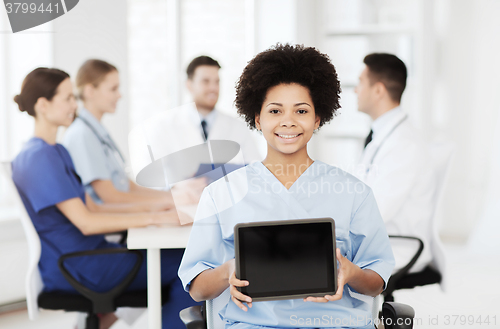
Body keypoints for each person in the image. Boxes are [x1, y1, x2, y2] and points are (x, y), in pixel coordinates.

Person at [178, 44, 395, 329]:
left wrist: (352, 273)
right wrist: (227, 271)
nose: (288, 122)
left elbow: (376, 283)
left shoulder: (354, 193)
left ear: (318, 118)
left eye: (301, 110)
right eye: (275, 110)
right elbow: (197, 288)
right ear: (257, 118)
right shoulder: (222, 193)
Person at [11, 68, 199, 329]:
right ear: (43, 105)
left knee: (182, 257)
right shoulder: (38, 157)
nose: (74, 105)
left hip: (90, 257)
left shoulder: (56, 151)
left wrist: (165, 213)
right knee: (190, 267)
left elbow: (93, 209)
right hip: (82, 266)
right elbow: (86, 222)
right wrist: (159, 216)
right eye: (67, 98)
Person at [63, 59, 204, 206]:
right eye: (113, 89)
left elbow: (129, 187)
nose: (120, 95)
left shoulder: (96, 132)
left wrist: (173, 195)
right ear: (90, 91)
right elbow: (109, 196)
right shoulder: (82, 135)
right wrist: (172, 201)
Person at [354, 53, 435, 273]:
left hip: (397, 247)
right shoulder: (383, 135)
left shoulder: (403, 144)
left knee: (316, 262)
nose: (355, 90)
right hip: (380, 241)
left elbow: (376, 211)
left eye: (361, 82)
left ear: (378, 90)